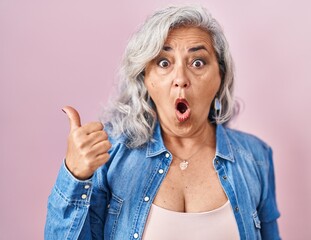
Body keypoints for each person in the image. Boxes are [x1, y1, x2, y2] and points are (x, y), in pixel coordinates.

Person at [45, 5, 281, 240]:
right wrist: (75, 176)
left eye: (197, 62)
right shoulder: (108, 155)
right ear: (145, 78)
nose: (180, 79)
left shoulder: (256, 156)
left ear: (220, 77)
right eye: (164, 63)